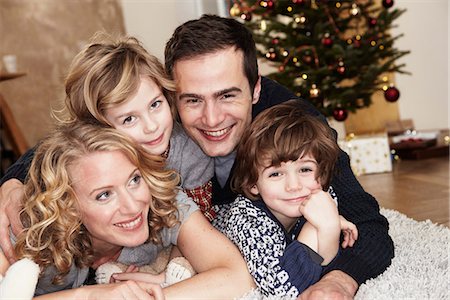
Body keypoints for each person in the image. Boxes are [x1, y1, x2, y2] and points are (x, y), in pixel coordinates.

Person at [163, 14, 394, 299]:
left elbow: (369, 226)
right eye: (193, 100)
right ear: (174, 99)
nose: (212, 119)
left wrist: (336, 282)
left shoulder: (297, 131)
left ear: (256, 88)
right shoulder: (157, 126)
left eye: (227, 96)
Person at [0, 34, 216, 261]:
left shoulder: (189, 154)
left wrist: (126, 261)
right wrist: (11, 184)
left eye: (155, 104)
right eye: (129, 119)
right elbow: (42, 158)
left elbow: (196, 229)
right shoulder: (86, 159)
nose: (152, 126)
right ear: (97, 127)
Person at [0, 122, 254, 299]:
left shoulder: (163, 201)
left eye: (134, 180)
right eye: (104, 195)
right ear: (68, 206)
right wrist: (88, 296)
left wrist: (150, 296)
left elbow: (236, 276)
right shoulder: (26, 227)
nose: (133, 206)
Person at [217, 100, 358, 297]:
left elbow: (324, 270)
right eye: (276, 174)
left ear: (322, 173)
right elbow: (282, 289)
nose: (294, 186)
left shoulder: (319, 196)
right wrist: (320, 228)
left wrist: (329, 230)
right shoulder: (247, 220)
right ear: (252, 184)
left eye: (305, 169)